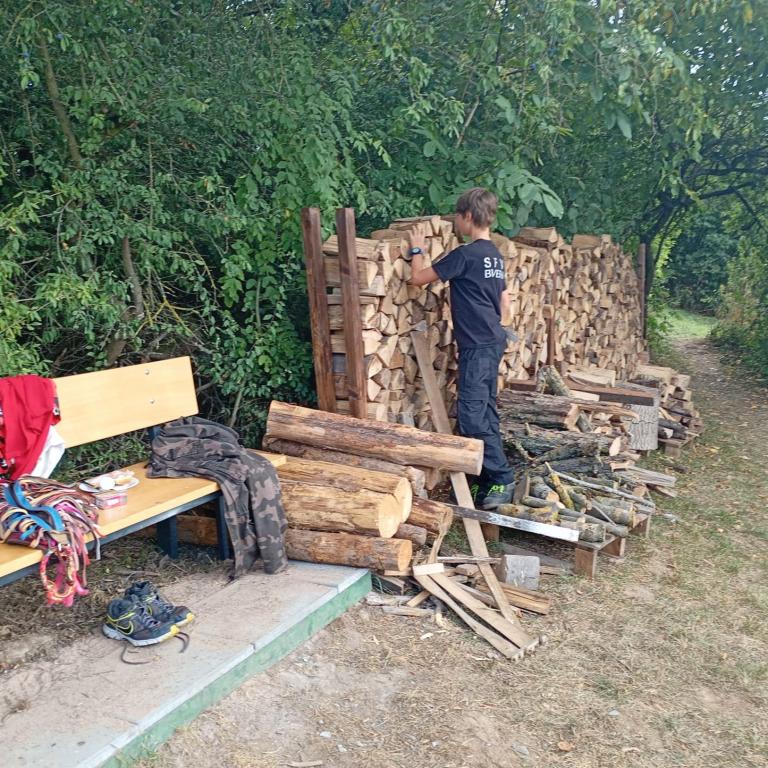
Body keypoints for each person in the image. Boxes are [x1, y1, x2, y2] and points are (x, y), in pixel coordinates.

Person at [407, 187, 514, 509]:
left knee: (471, 416)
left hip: (479, 344)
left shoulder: (465, 255)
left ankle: (501, 478)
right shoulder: (494, 255)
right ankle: (487, 479)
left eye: (458, 215)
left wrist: (416, 249)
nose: (455, 221)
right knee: (485, 409)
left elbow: (417, 279)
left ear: (468, 216)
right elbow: (505, 303)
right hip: (491, 340)